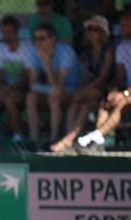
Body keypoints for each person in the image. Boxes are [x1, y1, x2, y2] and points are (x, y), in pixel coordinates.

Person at [50, 15, 114, 153]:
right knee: (81, 104)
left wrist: (85, 90)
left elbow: (103, 76)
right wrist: (83, 89)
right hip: (90, 91)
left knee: (84, 96)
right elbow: (85, 77)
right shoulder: (86, 52)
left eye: (96, 29)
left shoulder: (108, 50)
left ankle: (67, 140)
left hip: (106, 89)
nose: (92, 32)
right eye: (89, 29)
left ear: (103, 32)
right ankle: (69, 139)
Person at [75, 12, 131, 152]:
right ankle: (98, 142)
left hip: (128, 94)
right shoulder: (123, 47)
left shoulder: (110, 50)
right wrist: (115, 92)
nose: (121, 28)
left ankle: (96, 135)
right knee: (106, 102)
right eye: (121, 25)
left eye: (125, 25)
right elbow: (120, 77)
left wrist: (124, 94)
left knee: (123, 101)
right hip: (127, 92)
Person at [25, 23, 81, 151]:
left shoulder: (66, 52)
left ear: (53, 39)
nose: (38, 42)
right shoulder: (35, 51)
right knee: (31, 97)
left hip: (72, 90)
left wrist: (47, 62)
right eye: (36, 39)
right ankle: (34, 140)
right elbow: (32, 82)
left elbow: (58, 84)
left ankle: (53, 139)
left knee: (54, 97)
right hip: (51, 89)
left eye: (42, 38)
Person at [0, 15, 32, 150]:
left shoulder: (27, 48)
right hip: (5, 89)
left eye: (9, 32)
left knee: (9, 99)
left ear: (17, 32)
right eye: (3, 32)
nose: (6, 35)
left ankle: (18, 136)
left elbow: (27, 76)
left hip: (23, 90)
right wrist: (4, 88)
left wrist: (11, 88)